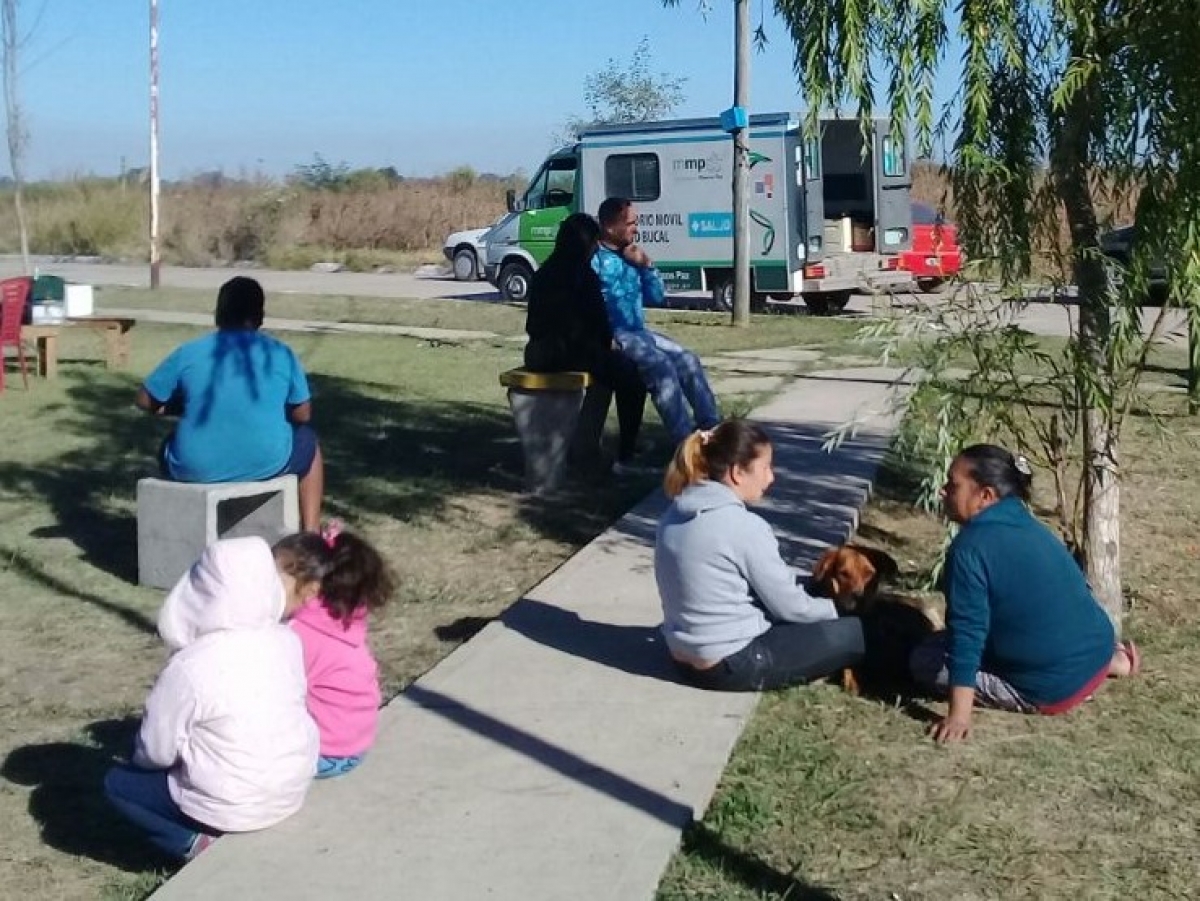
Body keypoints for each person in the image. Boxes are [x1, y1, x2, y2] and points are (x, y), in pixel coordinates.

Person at [104, 537, 319, 860]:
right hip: (291, 790)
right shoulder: (286, 640)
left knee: (119, 784)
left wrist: (143, 760)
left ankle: (191, 842)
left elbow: (156, 752)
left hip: (230, 805)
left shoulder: (190, 665)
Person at [913, 444, 1141, 744]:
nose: (943, 491)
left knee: (924, 660)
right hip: (1097, 650)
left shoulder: (969, 550)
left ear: (985, 496)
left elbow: (967, 636)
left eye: (953, 485)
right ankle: (1114, 662)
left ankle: (1050, 682)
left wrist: (958, 716)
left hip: (1050, 689)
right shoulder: (1023, 519)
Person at [654, 418, 865, 691]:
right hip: (732, 664)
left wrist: (804, 584)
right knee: (857, 632)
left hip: (682, 659)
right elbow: (790, 608)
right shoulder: (745, 527)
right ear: (737, 473)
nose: (771, 477)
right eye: (765, 468)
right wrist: (835, 609)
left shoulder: (672, 514)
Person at [136, 276, 325, 531]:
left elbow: (145, 400)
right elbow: (303, 415)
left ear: (218, 314)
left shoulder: (189, 352)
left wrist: (180, 406)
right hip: (267, 462)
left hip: (193, 465)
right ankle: (311, 531)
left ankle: (172, 529)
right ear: (260, 317)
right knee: (309, 442)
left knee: (168, 444)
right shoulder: (280, 353)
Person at [523, 212, 649, 471]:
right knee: (631, 377)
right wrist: (606, 344)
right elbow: (598, 323)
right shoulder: (583, 275)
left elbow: (533, 325)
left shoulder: (544, 272)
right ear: (587, 243)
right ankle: (626, 452)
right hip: (570, 352)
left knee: (605, 374)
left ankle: (589, 446)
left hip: (538, 353)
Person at [593, 197, 720, 445]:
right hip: (614, 334)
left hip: (638, 331)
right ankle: (684, 441)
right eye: (630, 223)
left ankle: (712, 428)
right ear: (610, 227)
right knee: (661, 366)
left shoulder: (632, 255)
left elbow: (657, 297)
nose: (636, 228)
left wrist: (647, 266)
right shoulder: (595, 260)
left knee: (687, 359)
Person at [274, 522, 395, 779]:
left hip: (325, 752)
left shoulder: (299, 634)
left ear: (310, 588)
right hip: (354, 744)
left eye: (277, 577)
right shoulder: (340, 617)